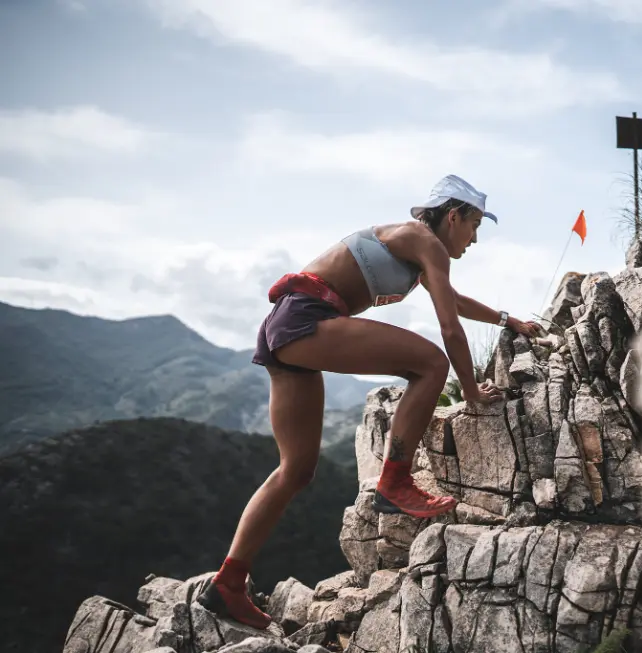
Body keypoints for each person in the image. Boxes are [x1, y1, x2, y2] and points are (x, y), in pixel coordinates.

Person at [196, 174, 544, 629]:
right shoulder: (426, 242)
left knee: (295, 470)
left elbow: (453, 300)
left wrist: (507, 319)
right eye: (474, 224)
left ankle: (228, 584)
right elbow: (449, 329)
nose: (475, 238)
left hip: (285, 326)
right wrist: (473, 391)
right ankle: (395, 481)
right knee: (431, 364)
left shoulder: (419, 249)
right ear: (453, 215)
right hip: (307, 319)